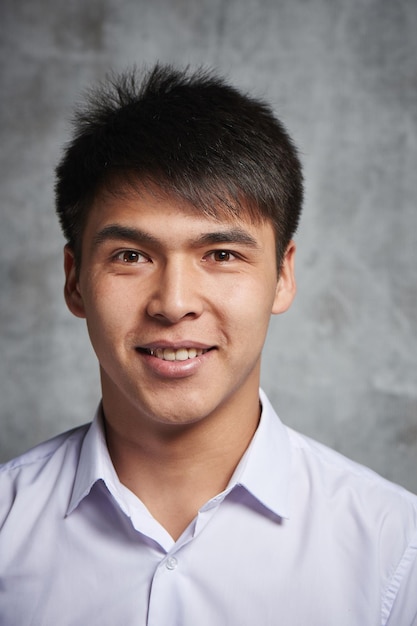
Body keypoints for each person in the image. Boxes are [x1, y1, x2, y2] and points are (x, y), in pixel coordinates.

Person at [0, 63, 416, 626]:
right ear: (74, 280)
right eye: (130, 256)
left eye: (221, 254)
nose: (173, 303)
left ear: (283, 275)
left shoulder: (395, 550)